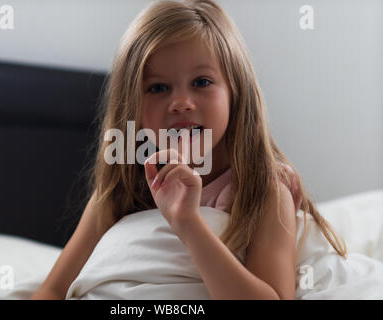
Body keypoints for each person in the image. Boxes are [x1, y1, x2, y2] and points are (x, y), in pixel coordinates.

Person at [31, 0, 347, 300]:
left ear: (235, 93)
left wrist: (188, 223)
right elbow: (52, 291)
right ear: (133, 108)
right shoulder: (120, 190)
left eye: (201, 82)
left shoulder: (262, 189)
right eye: (158, 88)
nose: (181, 102)